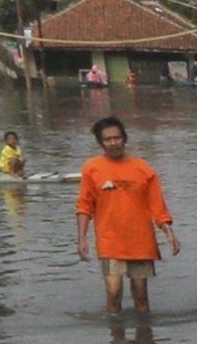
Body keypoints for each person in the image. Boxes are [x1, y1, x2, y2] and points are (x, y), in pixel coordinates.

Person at [76, 116, 177, 315]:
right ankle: (117, 340)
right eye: (108, 139)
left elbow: (157, 204)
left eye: (117, 138)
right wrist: (81, 239)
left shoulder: (143, 168)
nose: (113, 143)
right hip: (110, 241)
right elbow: (85, 205)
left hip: (140, 240)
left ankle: (146, 342)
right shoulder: (92, 168)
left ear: (124, 139)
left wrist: (168, 231)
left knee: (141, 295)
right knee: (114, 293)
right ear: (100, 143)